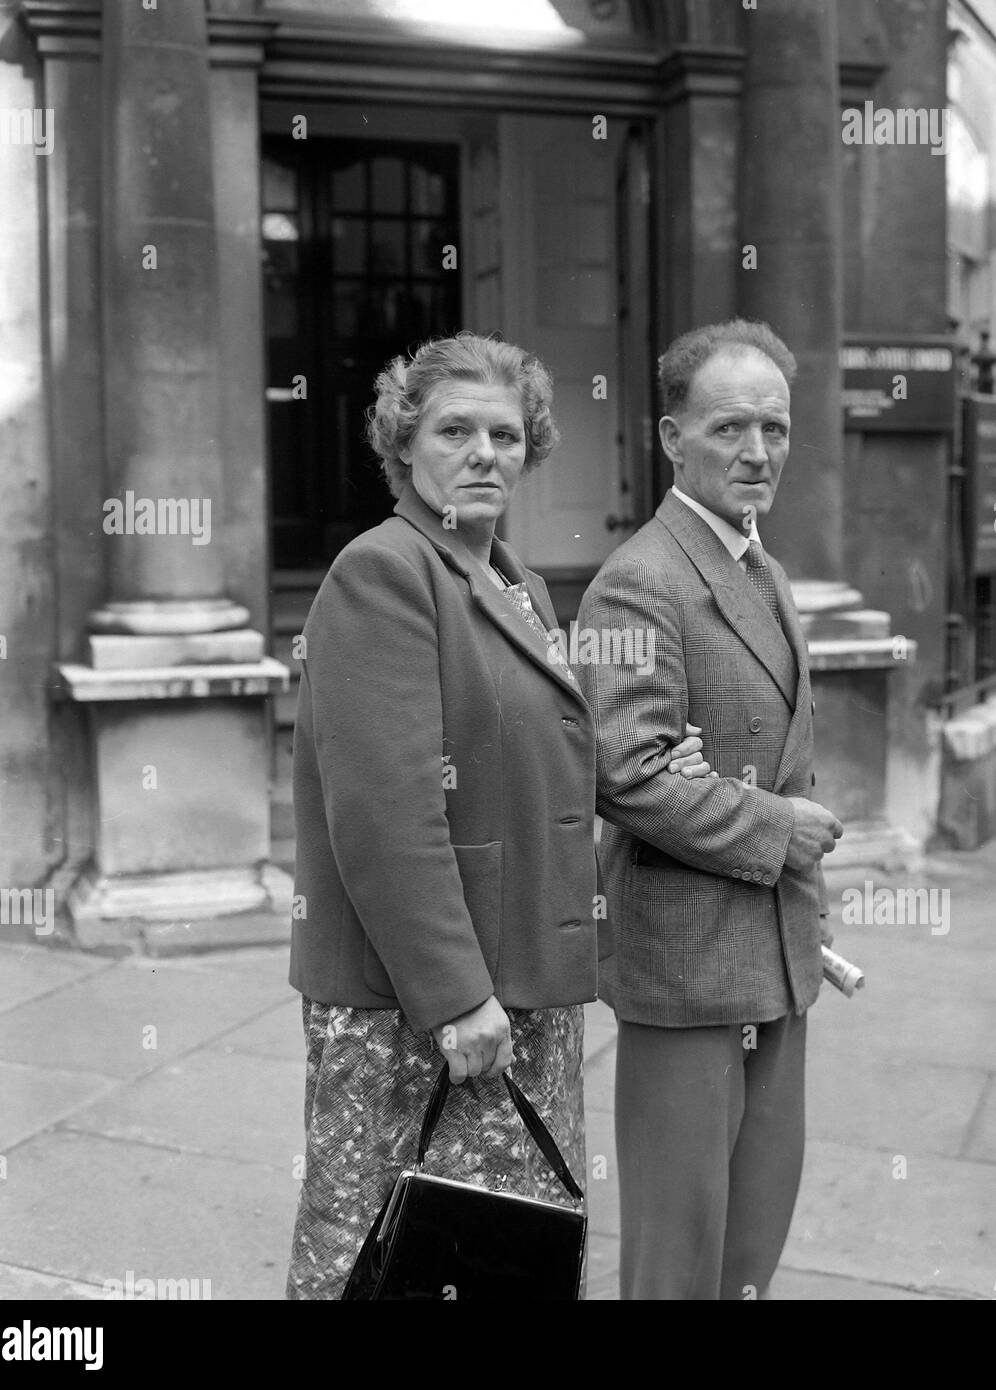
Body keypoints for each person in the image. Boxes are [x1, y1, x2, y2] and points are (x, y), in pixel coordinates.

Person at [284, 331, 712, 1299]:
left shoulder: (515, 581)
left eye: (507, 435)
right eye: (455, 430)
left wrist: (638, 761)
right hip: (418, 1004)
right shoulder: (382, 573)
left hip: (521, 984)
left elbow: (522, 748)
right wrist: (454, 998)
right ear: (403, 445)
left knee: (498, 1256)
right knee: (391, 1254)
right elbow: (384, 813)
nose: (486, 453)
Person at [577, 318, 845, 1300]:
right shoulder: (636, 582)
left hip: (773, 954)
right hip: (685, 966)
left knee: (747, 1251)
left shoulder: (760, 568)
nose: (758, 452)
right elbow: (627, 771)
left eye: (773, 429)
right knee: (675, 1261)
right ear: (670, 439)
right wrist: (779, 829)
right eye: (730, 427)